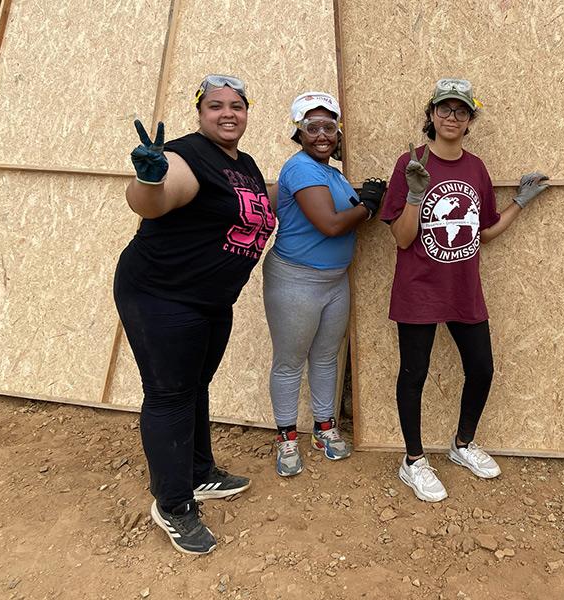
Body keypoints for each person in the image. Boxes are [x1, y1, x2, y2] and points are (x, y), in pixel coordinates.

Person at [114, 75, 275, 555]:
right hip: (162, 294)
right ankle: (173, 504)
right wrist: (149, 177)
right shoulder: (186, 155)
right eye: (215, 106)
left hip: (210, 299)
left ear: (247, 112)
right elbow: (155, 202)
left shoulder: (243, 163)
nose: (228, 113)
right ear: (200, 113)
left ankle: (200, 472)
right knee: (168, 395)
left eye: (237, 106)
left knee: (194, 387)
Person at [380, 78, 551, 502]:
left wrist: (520, 203)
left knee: (481, 367)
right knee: (413, 374)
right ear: (431, 114)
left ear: (471, 118)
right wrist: (416, 196)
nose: (452, 117)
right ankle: (414, 460)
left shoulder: (475, 168)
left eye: (461, 110)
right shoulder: (411, 163)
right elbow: (402, 239)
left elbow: (483, 232)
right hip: (419, 287)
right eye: (444, 109)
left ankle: (462, 444)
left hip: (462, 286)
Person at [264, 91, 385, 476]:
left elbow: (342, 215)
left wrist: (363, 203)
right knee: (289, 362)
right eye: (311, 127)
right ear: (298, 133)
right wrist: (366, 206)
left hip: (333, 280)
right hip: (296, 279)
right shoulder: (300, 169)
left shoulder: (330, 172)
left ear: (338, 132)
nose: (321, 135)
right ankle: (286, 438)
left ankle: (324, 429)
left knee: (326, 357)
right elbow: (331, 225)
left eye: (329, 127)